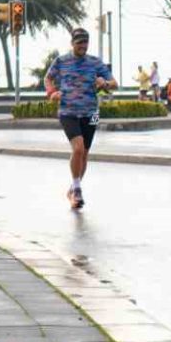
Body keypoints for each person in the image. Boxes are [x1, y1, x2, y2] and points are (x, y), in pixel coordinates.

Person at [44, 28, 116, 210]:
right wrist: (52, 92)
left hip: (92, 113)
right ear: (72, 43)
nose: (83, 46)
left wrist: (105, 83)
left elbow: (114, 83)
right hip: (68, 112)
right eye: (79, 43)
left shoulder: (95, 62)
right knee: (78, 149)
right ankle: (77, 189)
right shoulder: (61, 61)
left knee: (84, 153)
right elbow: (48, 78)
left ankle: (73, 189)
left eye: (85, 43)